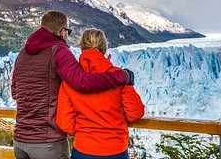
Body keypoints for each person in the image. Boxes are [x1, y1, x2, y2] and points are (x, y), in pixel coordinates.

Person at [11, 11, 134, 159]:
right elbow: (81, 81)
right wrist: (122, 76)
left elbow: (15, 92)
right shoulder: (59, 51)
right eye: (68, 31)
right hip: (46, 143)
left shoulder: (22, 54)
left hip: (20, 141)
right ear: (62, 32)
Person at [56, 28, 145, 159]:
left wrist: (85, 133)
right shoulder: (120, 77)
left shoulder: (70, 81)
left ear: (82, 47)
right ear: (105, 48)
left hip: (83, 150)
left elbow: (65, 124)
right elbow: (135, 113)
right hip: (116, 150)